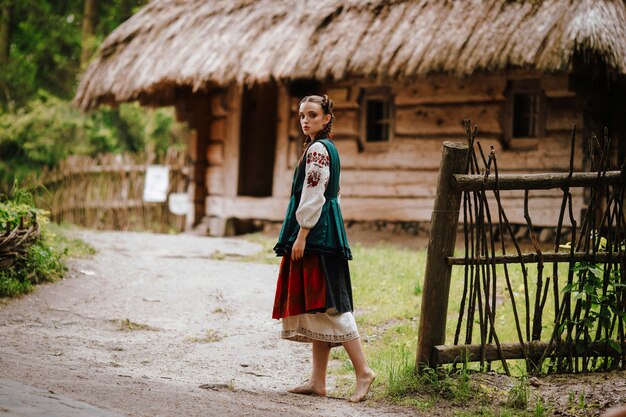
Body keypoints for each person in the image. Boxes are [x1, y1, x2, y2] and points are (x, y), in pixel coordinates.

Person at [272, 94, 375, 402]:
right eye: (302, 115)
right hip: (325, 229)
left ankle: (364, 371)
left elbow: (315, 192)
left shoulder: (318, 150)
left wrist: (302, 234)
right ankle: (318, 381)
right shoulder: (325, 148)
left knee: (331, 304)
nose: (306, 120)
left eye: (313, 115)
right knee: (319, 303)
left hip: (317, 235)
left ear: (327, 118)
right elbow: (333, 193)